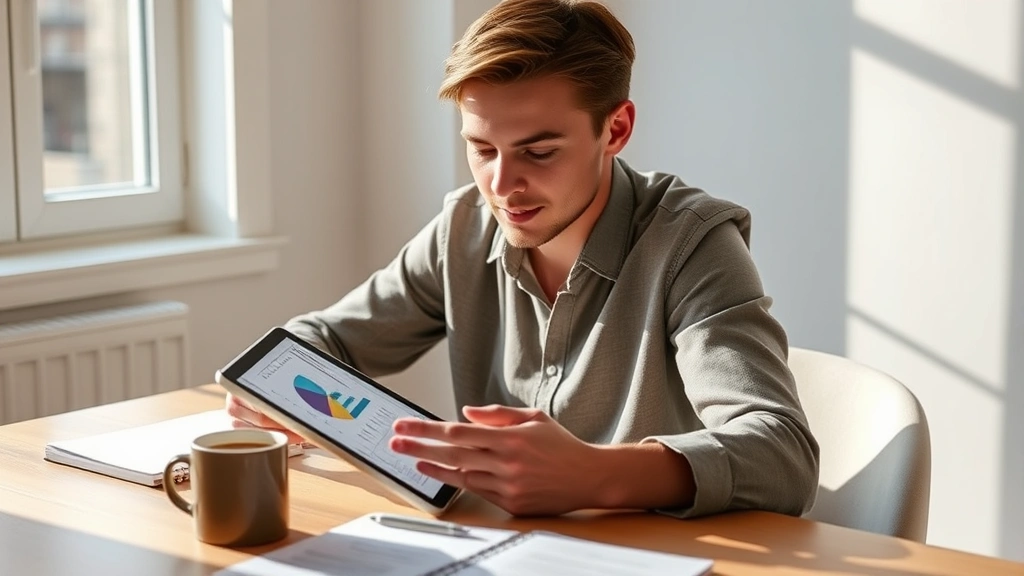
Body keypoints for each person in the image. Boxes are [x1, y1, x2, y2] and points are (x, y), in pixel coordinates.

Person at [228, 0, 819, 519]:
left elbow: (781, 453)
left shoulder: (693, 245)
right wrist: (269, 392)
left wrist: (594, 472)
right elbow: (321, 340)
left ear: (616, 130)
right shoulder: (463, 227)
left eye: (538, 151)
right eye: (481, 149)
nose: (502, 185)